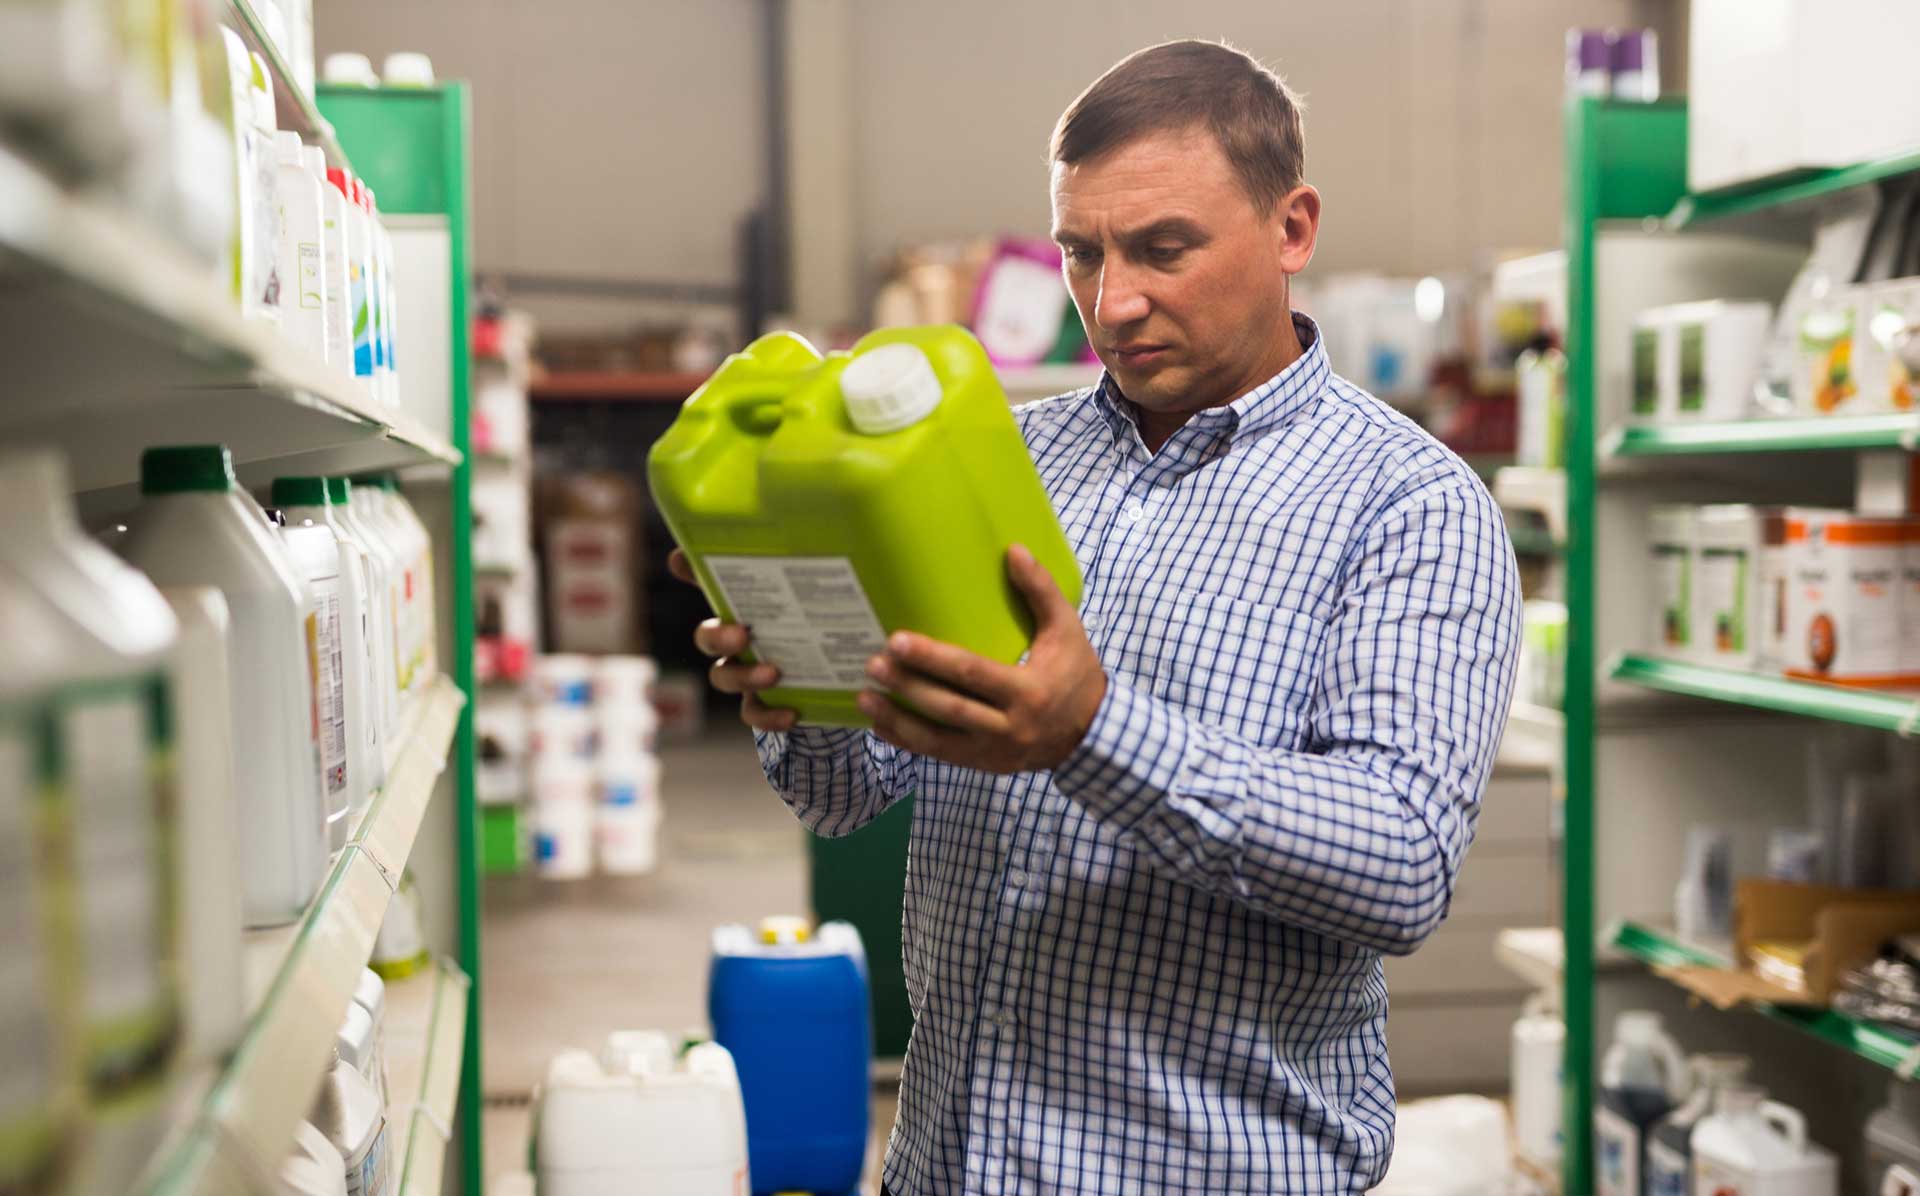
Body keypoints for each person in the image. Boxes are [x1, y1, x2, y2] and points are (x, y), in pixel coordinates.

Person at [672, 37, 1522, 1195]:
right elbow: (843, 793)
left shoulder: (1410, 505)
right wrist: (800, 669)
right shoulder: (1008, 455)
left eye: (1164, 248)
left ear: (1292, 227)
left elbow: (1400, 862)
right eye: (1083, 253)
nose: (1112, 303)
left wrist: (1093, 730)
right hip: (944, 1163)